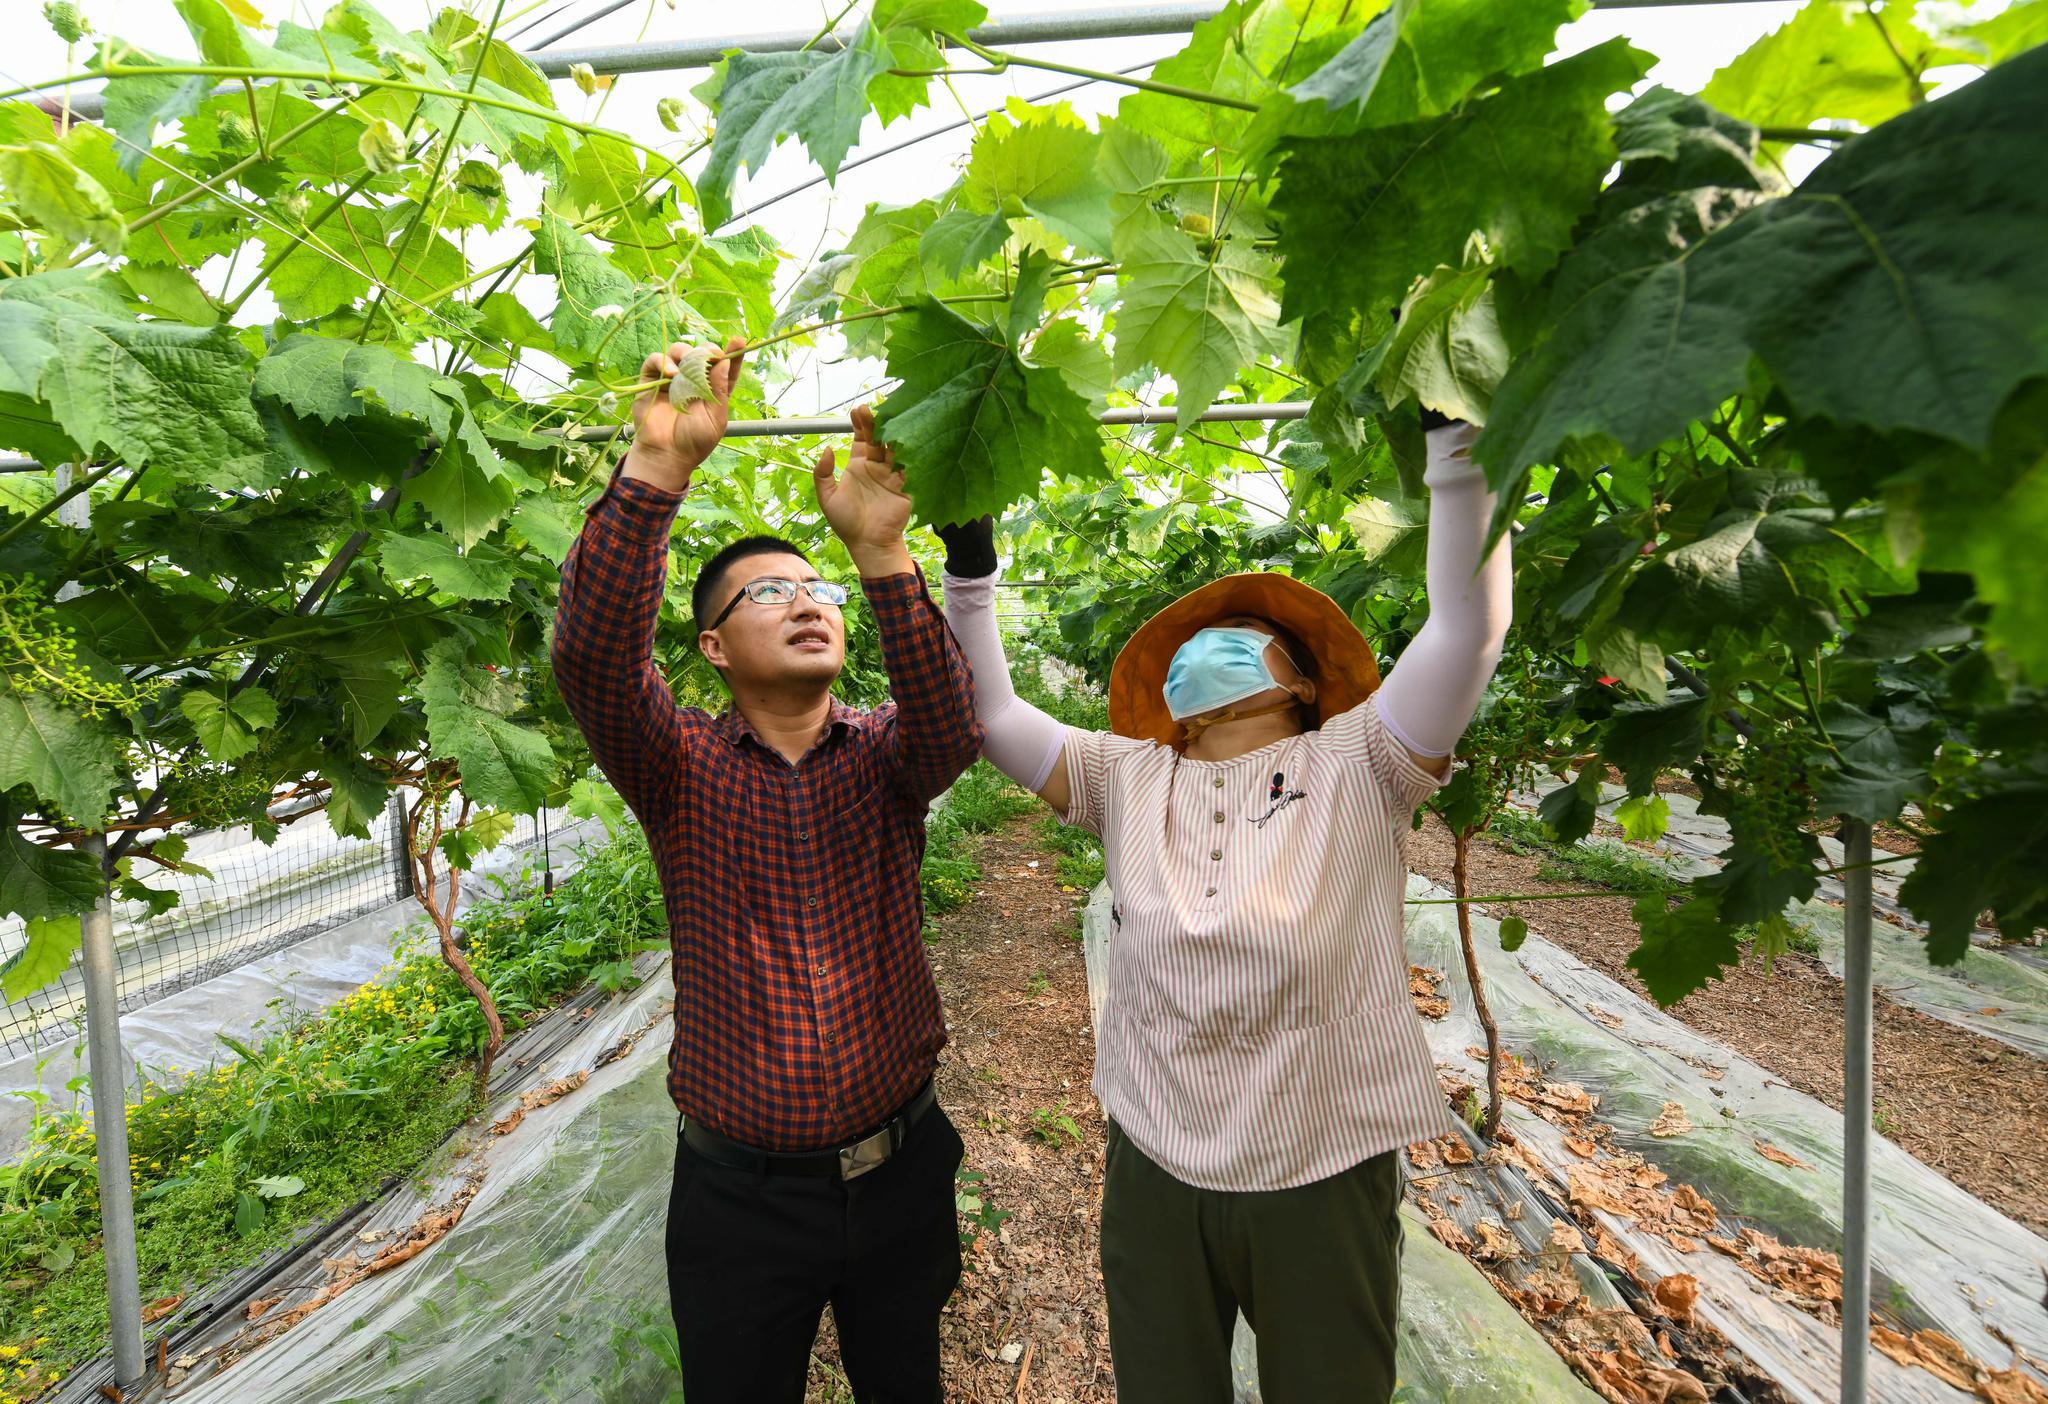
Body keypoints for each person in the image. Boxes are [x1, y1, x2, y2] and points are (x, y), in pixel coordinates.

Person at [936, 414, 1512, 1404]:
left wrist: (1455, 451)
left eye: (1239, 641)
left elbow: (1468, 630)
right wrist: (968, 563)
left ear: (1296, 679)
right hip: (1156, 1160)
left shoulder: (1358, 761)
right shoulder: (1126, 776)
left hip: (1318, 1162)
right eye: (1196, 642)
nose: (1209, 645)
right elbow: (989, 717)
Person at [551, 336, 984, 1404]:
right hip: (739, 1200)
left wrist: (883, 555)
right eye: (762, 594)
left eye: (814, 585)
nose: (802, 600)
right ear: (709, 649)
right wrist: (657, 468)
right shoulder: (675, 765)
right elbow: (593, 659)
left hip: (903, 1170)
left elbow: (952, 723)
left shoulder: (888, 756)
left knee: (907, 1386)